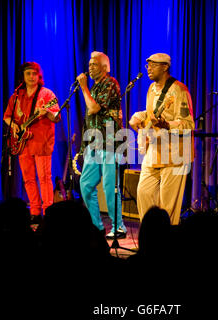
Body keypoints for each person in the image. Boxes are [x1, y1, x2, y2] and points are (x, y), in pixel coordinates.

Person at [129, 53, 195, 225]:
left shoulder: (179, 89)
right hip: (155, 150)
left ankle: (167, 244)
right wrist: (138, 116)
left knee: (168, 205)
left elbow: (188, 124)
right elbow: (151, 113)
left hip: (175, 154)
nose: (148, 68)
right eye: (147, 65)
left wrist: (168, 125)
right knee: (143, 192)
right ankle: (148, 237)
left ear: (165, 67)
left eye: (153, 65)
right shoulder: (151, 89)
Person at [76, 51, 127, 239]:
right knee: (86, 185)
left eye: (94, 64)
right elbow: (89, 118)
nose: (90, 67)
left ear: (105, 68)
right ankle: (96, 227)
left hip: (110, 141)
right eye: (89, 64)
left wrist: (83, 87)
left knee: (109, 186)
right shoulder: (94, 87)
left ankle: (119, 227)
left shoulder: (110, 84)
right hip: (94, 142)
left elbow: (94, 108)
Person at [3, 62, 61, 225]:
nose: (31, 77)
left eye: (34, 73)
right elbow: (7, 116)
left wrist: (47, 111)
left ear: (39, 75)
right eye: (28, 74)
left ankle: (48, 211)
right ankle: (35, 211)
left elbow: (56, 117)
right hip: (23, 143)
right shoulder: (17, 96)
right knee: (28, 178)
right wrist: (15, 127)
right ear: (23, 76)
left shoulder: (47, 94)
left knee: (44, 178)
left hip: (42, 141)